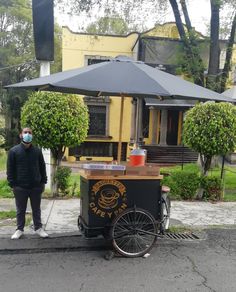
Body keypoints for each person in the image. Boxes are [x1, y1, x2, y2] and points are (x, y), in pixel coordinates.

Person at [7, 127, 48, 239]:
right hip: (20, 187)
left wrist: (43, 181)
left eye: (30, 132)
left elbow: (42, 167)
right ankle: (19, 229)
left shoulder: (37, 151)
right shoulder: (13, 151)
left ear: (32, 135)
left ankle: (38, 228)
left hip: (35, 186)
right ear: (21, 135)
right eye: (25, 132)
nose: (27, 134)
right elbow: (10, 169)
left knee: (36, 208)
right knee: (20, 209)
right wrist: (12, 184)